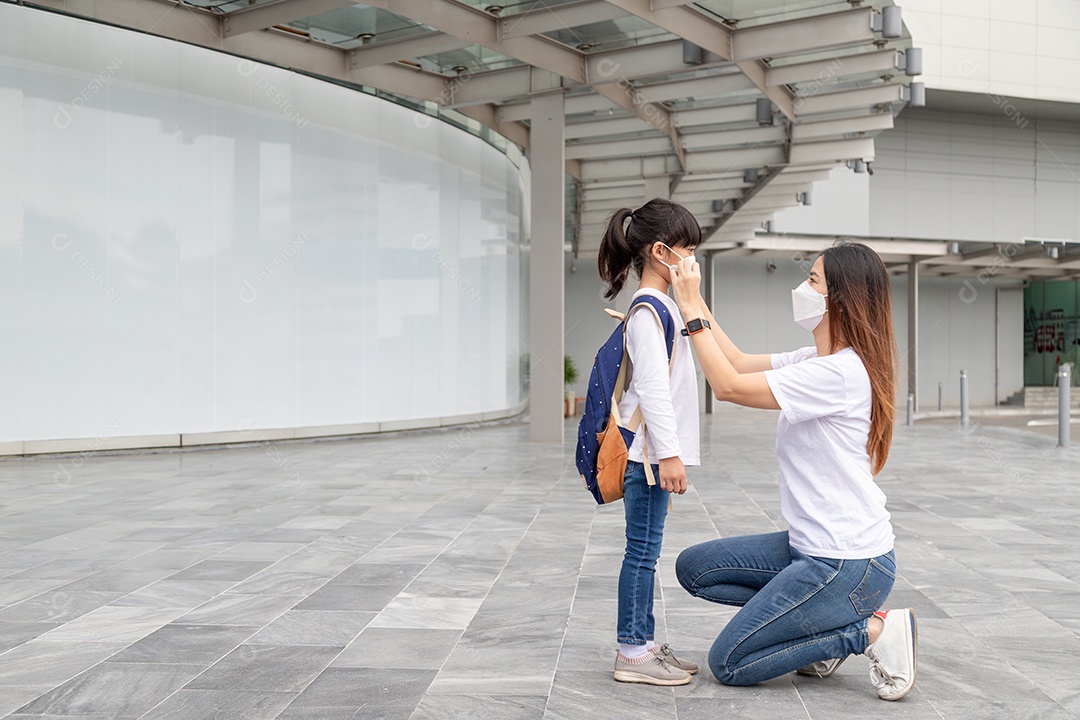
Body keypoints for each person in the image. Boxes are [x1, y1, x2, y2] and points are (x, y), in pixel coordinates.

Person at [666, 242, 918, 701]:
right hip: (810, 548)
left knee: (730, 661)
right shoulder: (812, 360)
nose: (801, 287)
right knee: (696, 569)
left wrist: (686, 307)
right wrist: (692, 294)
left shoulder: (840, 374)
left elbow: (727, 386)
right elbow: (738, 361)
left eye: (814, 280)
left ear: (840, 298)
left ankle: (868, 633)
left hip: (847, 563)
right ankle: (816, 627)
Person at [596, 198, 702, 686]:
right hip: (646, 456)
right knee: (640, 552)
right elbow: (656, 393)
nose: (692, 261)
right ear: (661, 252)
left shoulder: (662, 307)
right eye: (686, 249)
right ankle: (632, 652)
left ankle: (643, 641)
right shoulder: (647, 312)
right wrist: (670, 456)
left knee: (645, 551)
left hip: (649, 454)